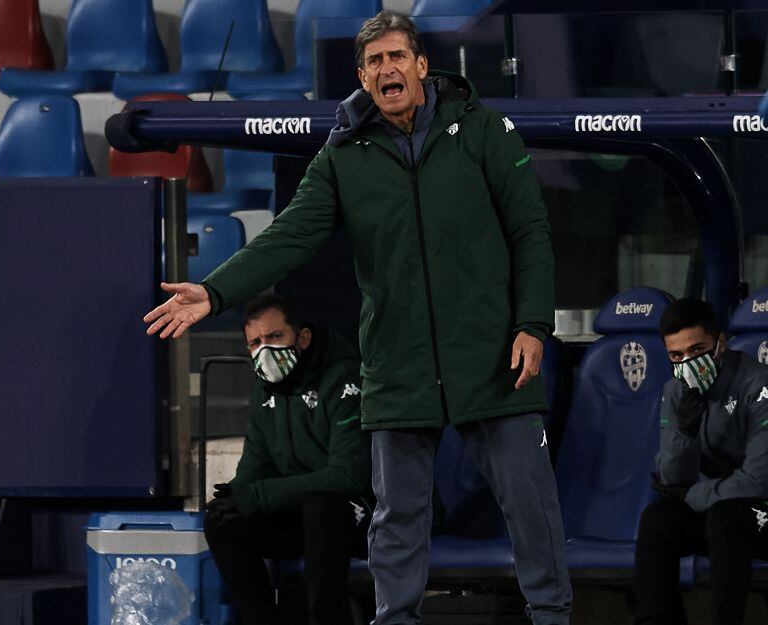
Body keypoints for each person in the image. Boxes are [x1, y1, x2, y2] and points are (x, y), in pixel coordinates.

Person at [144, 10, 571, 625]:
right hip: (397, 364)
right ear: (363, 78)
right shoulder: (343, 155)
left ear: (421, 65)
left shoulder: (483, 129)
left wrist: (532, 324)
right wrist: (215, 291)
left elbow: (531, 231)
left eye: (396, 56)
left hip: (492, 354)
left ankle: (551, 618)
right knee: (396, 520)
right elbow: (288, 236)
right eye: (374, 62)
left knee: (531, 505)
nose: (386, 68)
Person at [203, 294, 372, 625]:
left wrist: (258, 495)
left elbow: (347, 477)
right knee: (222, 520)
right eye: (255, 343)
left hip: (359, 516)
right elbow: (254, 466)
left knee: (322, 507)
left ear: (302, 338)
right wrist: (237, 496)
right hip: (303, 519)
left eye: (275, 336)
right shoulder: (264, 390)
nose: (264, 350)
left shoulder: (345, 378)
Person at [634, 298, 768, 625]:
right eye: (676, 356)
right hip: (715, 512)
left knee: (726, 518)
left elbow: (759, 480)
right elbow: (671, 478)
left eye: (697, 350)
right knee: (657, 520)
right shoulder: (675, 391)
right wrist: (686, 432)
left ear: (720, 343)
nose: (688, 363)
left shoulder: (759, 385)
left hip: (758, 511)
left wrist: (693, 495)